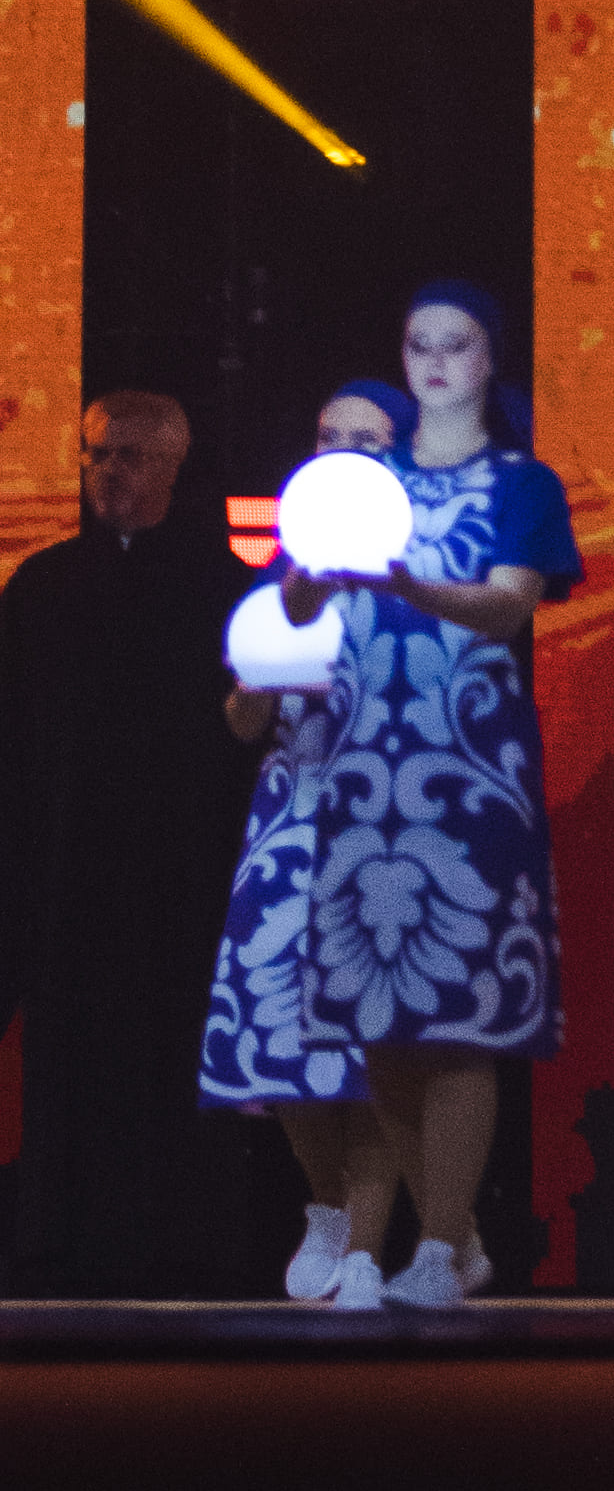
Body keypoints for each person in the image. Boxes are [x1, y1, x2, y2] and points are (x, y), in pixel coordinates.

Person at [280, 284, 581, 1311]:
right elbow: (298, 601)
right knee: (383, 1019)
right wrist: (313, 564)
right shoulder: (363, 479)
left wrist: (404, 583)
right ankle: (455, 1239)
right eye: (421, 345)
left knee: (460, 1015)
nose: (438, 361)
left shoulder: (522, 483)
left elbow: (506, 607)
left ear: (490, 360)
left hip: (470, 771)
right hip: (365, 769)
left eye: (459, 344)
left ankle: (443, 1246)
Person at [0, 392, 261, 1294]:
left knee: (177, 1039)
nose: (111, 472)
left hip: (187, 864)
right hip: (63, 856)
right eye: (99, 454)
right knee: (69, 1045)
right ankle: (58, 1238)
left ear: (174, 469)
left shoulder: (225, 588)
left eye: (132, 456)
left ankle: (188, 1242)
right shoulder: (39, 587)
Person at [200, 382, 412, 1300]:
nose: (345, 452)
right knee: (277, 1024)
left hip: (389, 822)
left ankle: (367, 1245)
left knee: (375, 1048)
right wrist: (262, 678)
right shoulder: (280, 580)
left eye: (368, 440)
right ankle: (328, 1205)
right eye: (330, 437)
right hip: (289, 821)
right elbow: (243, 722)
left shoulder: (425, 580)